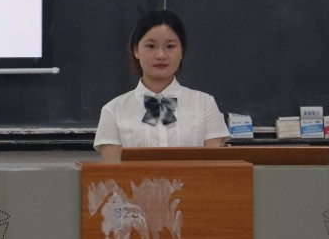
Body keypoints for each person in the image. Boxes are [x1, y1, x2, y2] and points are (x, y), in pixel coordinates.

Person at [93, 9, 228, 162]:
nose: (161, 55)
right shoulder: (113, 111)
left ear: (182, 51)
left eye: (170, 46)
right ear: (136, 50)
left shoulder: (204, 105)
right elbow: (111, 173)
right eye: (151, 46)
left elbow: (214, 170)